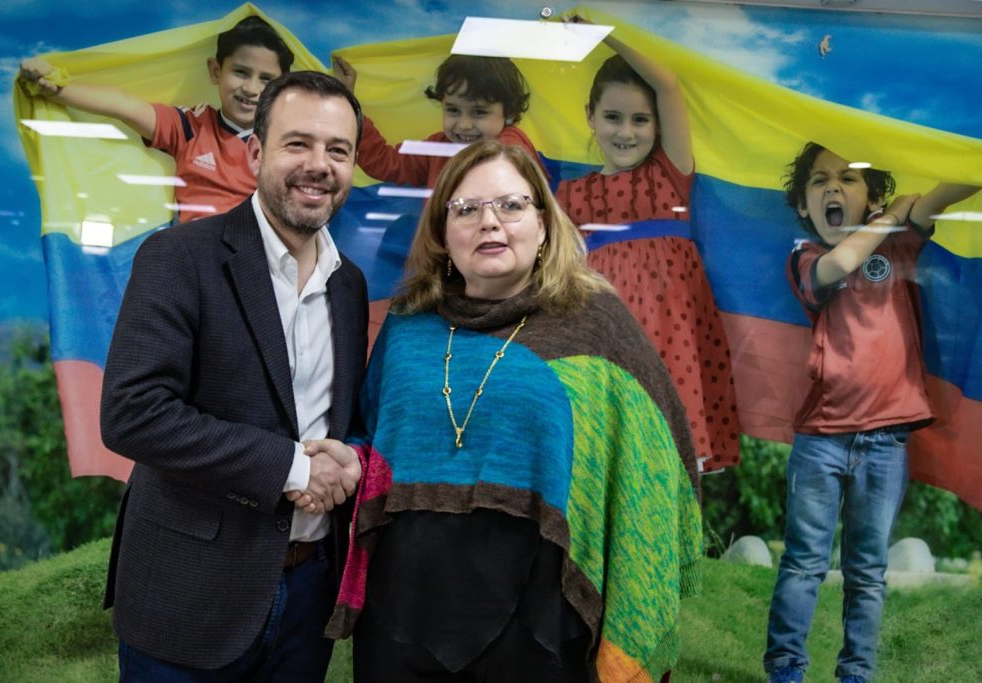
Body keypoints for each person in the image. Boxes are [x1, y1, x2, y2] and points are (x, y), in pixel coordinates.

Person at [300, 140, 702, 682]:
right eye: (466, 209)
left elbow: (651, 462)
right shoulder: (408, 323)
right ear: (443, 233)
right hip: (403, 606)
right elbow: (374, 435)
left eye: (511, 205)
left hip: (539, 614)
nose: (489, 222)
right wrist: (353, 457)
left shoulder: (594, 325)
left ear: (544, 225)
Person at [99, 70, 369, 681]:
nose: (319, 165)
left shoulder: (348, 284)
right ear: (254, 153)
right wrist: (293, 468)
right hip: (187, 592)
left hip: (309, 595)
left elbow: (336, 419)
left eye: (338, 150)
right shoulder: (178, 257)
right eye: (297, 143)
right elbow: (133, 413)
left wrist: (350, 458)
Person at [764, 142, 980, 683]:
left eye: (848, 178)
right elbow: (840, 263)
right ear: (803, 206)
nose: (833, 188)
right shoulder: (805, 255)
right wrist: (887, 217)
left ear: (873, 196)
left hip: (886, 443)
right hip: (821, 440)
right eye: (819, 181)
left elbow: (945, 195)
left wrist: (949, 174)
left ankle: (855, 673)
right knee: (805, 562)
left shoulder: (899, 244)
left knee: (867, 570)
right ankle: (786, 668)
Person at [555, 23, 740, 469]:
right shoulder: (570, 195)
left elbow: (668, 85)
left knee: (672, 465)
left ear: (658, 123)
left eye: (641, 119)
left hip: (670, 341)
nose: (627, 132)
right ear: (590, 115)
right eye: (613, 117)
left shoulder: (670, 175)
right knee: (610, 460)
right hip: (606, 340)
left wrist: (604, 33)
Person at [18, 16, 294, 223]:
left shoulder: (287, 143)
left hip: (256, 260)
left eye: (266, 79)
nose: (251, 88)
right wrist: (56, 86)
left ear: (282, 87)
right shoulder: (190, 126)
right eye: (241, 72)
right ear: (215, 71)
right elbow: (123, 105)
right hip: (195, 258)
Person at [332, 53, 546, 188]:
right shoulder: (439, 147)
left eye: (479, 112)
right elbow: (386, 162)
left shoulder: (511, 146)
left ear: (508, 111)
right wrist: (348, 101)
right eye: (453, 110)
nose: (464, 125)